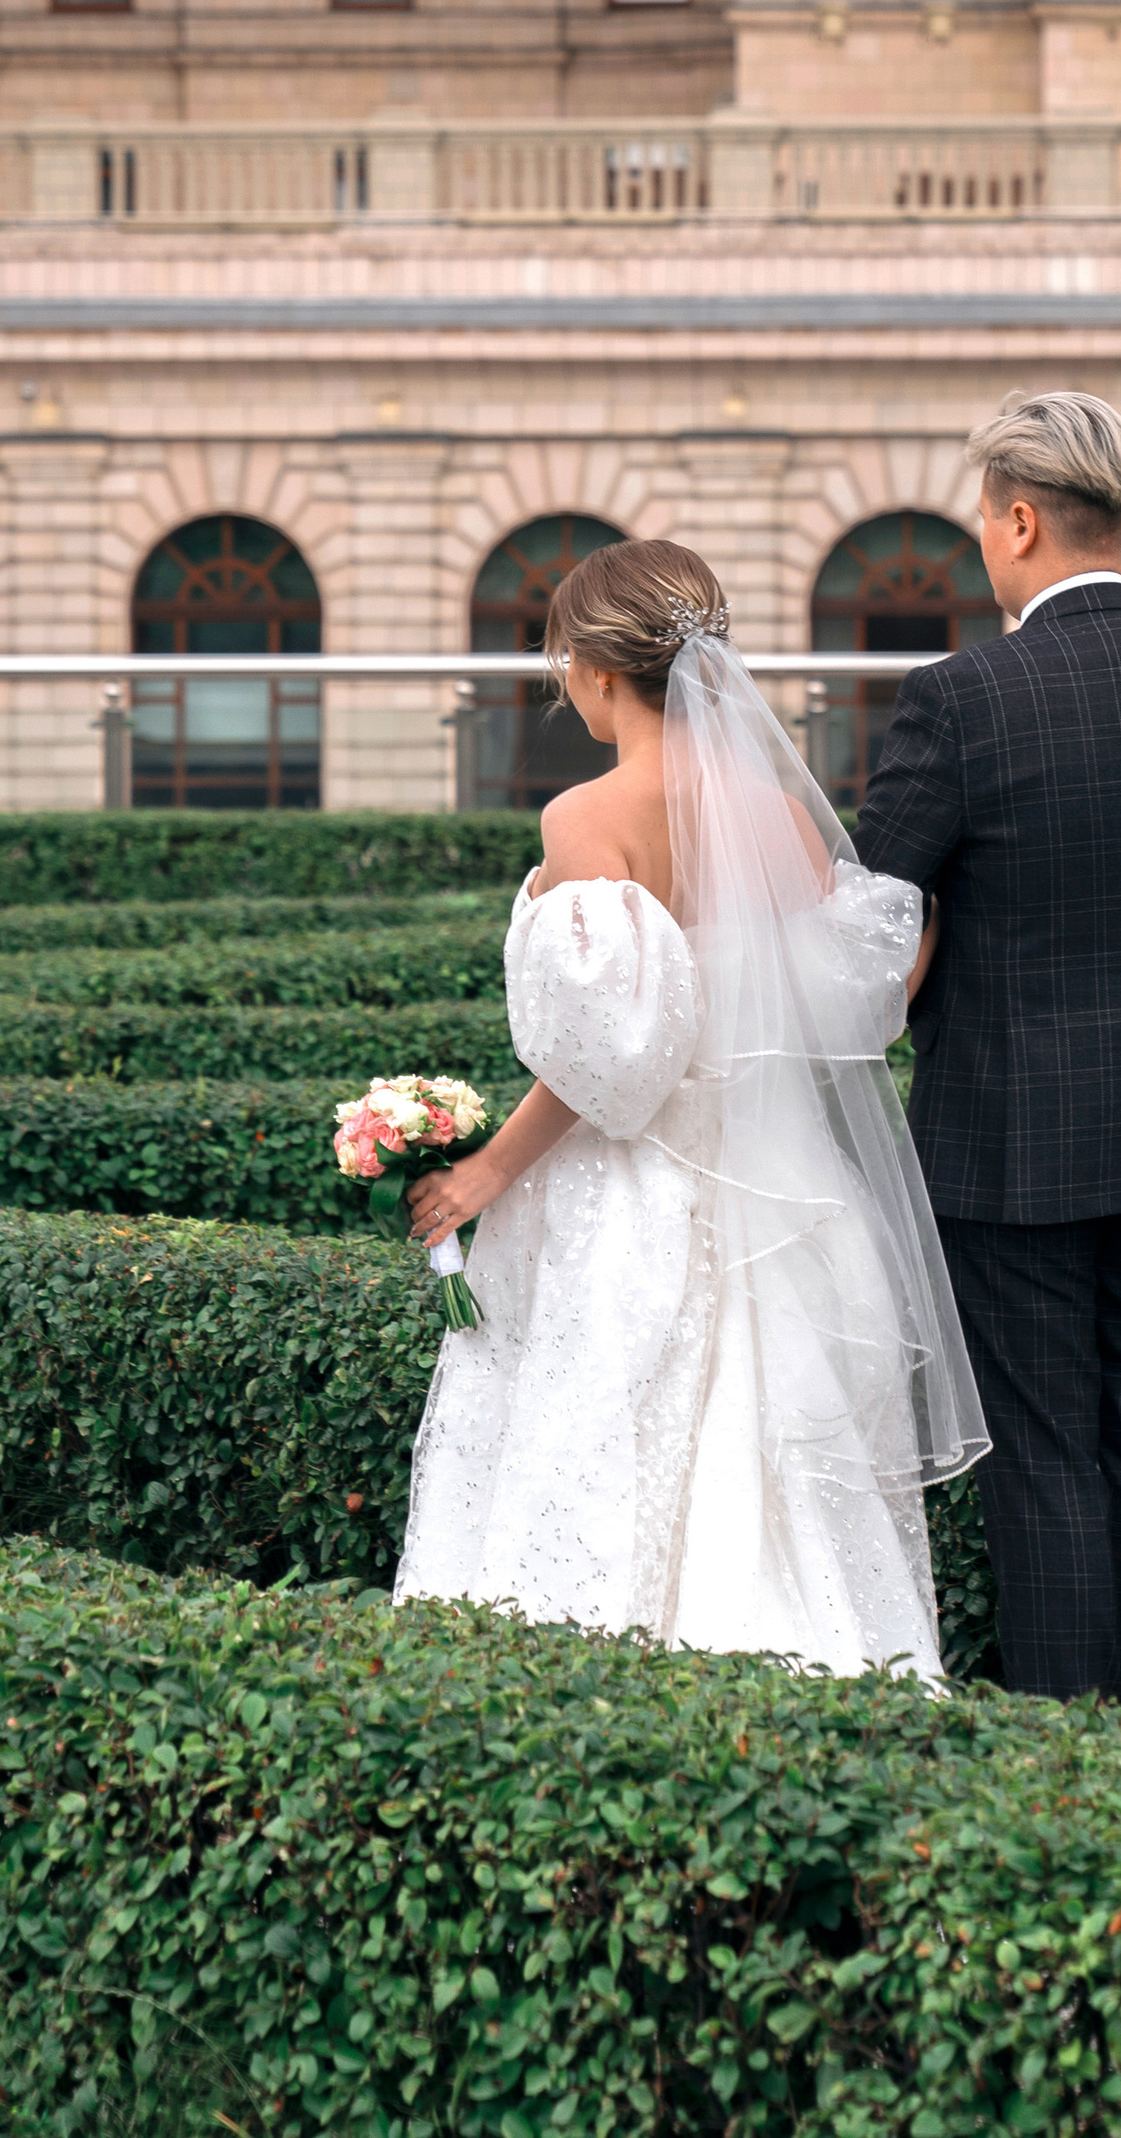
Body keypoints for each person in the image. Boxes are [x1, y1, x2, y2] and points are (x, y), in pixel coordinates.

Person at [394, 537, 988, 1680]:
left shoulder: (584, 816)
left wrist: (486, 1172)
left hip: (638, 1189)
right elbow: (866, 992)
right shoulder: (781, 815)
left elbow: (610, 1058)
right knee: (785, 1475)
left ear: (599, 673)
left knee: (602, 1458)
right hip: (790, 1190)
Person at [853, 390, 1121, 1726]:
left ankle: (1068, 1761)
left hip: (1009, 1146)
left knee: (1044, 1460)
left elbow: (865, 920)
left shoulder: (958, 701)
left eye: (986, 520)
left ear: (1023, 520)